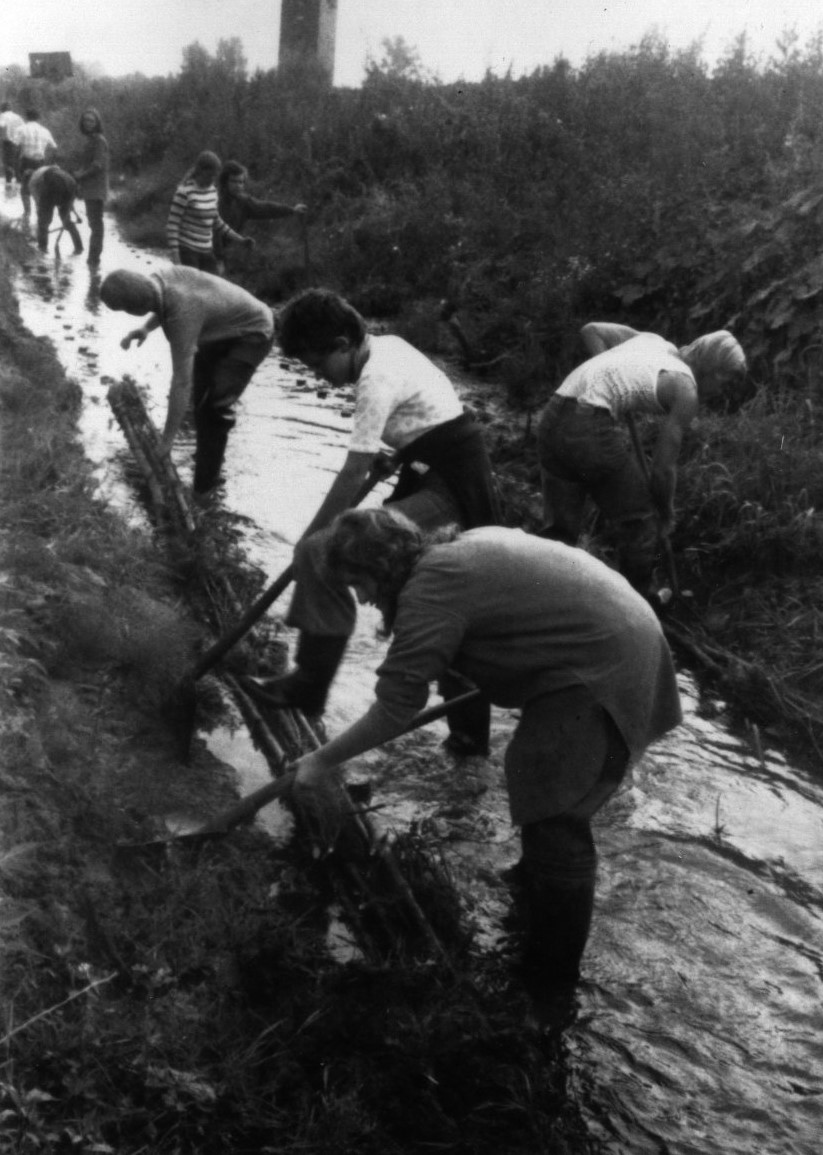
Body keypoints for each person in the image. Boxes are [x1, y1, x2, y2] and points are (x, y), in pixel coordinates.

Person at [283, 507, 682, 1017]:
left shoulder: (431, 590)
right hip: (622, 636)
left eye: (359, 583)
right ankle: (531, 898)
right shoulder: (454, 552)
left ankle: (548, 989)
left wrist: (320, 761)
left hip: (604, 664)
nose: (361, 599)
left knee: (554, 813)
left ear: (381, 567)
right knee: (539, 783)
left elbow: (393, 709)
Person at [242, 289, 499, 754]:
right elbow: (427, 415)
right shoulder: (388, 345)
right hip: (433, 471)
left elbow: (352, 471)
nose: (321, 377)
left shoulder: (373, 379)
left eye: (320, 365)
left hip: (451, 489)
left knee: (324, 552)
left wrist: (316, 534)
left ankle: (310, 684)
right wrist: (398, 453)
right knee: (429, 595)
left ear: (343, 344)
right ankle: (465, 735)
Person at [537, 322, 747, 594]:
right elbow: (662, 469)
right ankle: (638, 607)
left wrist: (604, 378)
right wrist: (666, 511)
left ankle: (544, 601)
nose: (723, 390)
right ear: (709, 366)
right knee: (641, 523)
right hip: (589, 429)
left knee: (559, 534)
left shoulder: (652, 340)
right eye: (725, 379)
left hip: (552, 416)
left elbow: (592, 331)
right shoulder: (686, 390)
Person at [98, 267, 274, 493]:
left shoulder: (182, 314)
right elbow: (161, 304)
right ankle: (208, 458)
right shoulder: (157, 280)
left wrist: (167, 440)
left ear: (135, 308)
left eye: (125, 310)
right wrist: (145, 328)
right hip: (220, 325)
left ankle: (205, 488)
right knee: (199, 399)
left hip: (253, 334)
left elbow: (181, 381)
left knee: (213, 407)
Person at [214, 160, 306, 274]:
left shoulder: (243, 202)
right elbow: (214, 233)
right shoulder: (214, 201)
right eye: (234, 181)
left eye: (241, 182)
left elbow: (265, 208)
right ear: (225, 182)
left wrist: (291, 210)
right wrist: (219, 259)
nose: (238, 186)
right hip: (202, 251)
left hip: (223, 254)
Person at [166, 150, 252, 272]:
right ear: (200, 171)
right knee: (192, 289)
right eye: (209, 175)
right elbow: (172, 226)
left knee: (214, 286)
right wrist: (176, 257)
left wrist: (240, 239)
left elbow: (217, 222)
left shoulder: (212, 191)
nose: (212, 179)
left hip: (206, 250)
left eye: (214, 176)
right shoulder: (184, 192)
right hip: (187, 251)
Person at [73, 108, 110, 267]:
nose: (88, 123)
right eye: (86, 120)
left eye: (92, 121)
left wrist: (80, 175)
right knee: (93, 223)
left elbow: (98, 165)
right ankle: (93, 260)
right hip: (90, 187)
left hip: (97, 188)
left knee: (96, 225)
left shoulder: (99, 140)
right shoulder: (90, 140)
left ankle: (93, 260)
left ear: (97, 123)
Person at [29, 165, 83, 255]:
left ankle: (42, 247)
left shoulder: (33, 183)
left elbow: (38, 202)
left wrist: (40, 223)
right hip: (72, 184)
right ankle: (79, 247)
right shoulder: (54, 170)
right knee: (66, 220)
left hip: (53, 184)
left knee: (43, 221)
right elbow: (68, 197)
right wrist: (69, 209)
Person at [15, 109, 56, 223]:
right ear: (39, 118)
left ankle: (27, 213)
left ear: (26, 117)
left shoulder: (21, 129)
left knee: (25, 189)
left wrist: (16, 164)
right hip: (41, 162)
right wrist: (49, 161)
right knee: (39, 188)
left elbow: (16, 147)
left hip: (26, 161)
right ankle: (40, 213)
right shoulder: (45, 131)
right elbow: (54, 147)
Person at [0, 102, 24, 189]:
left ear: (2, 109)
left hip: (8, 143)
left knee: (7, 162)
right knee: (17, 162)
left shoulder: (3, 116)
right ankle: (18, 181)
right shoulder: (18, 117)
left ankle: (8, 183)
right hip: (18, 143)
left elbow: (1, 125)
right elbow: (23, 129)